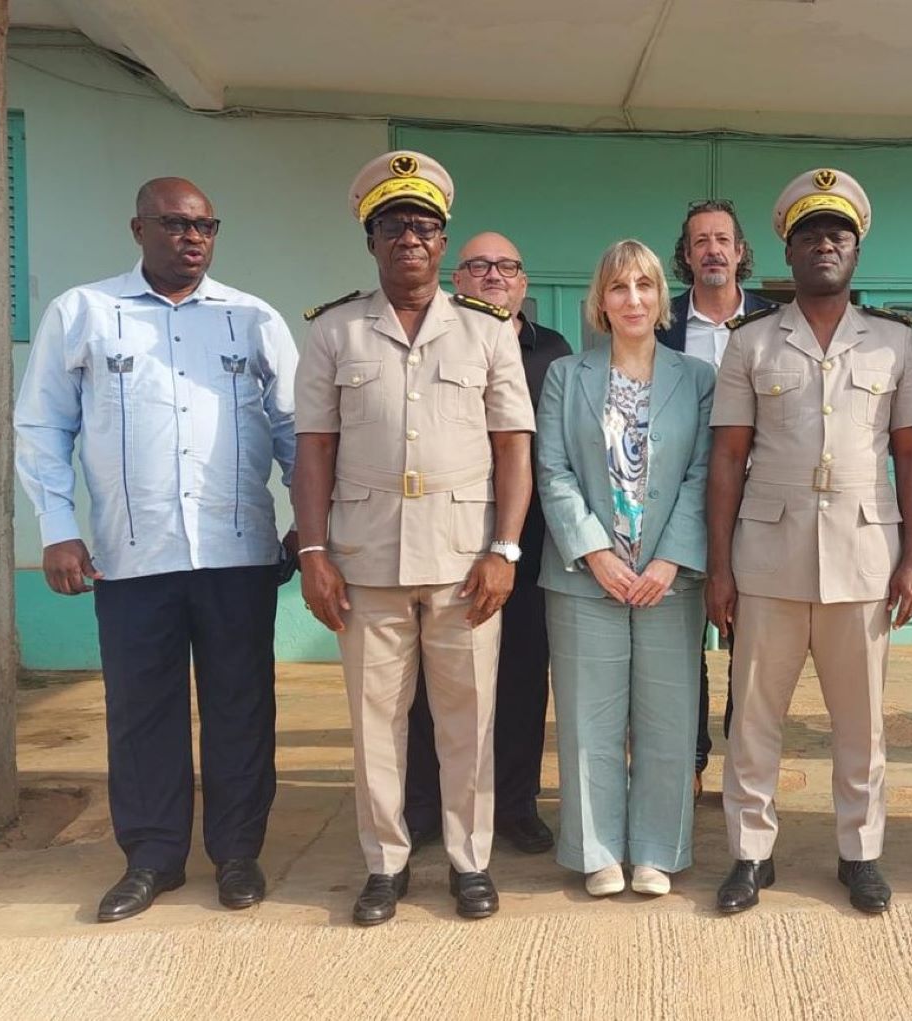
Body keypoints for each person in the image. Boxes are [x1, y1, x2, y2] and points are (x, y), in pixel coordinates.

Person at [14, 177, 298, 922]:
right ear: (137, 227)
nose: (192, 238)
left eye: (206, 225)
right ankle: (152, 857)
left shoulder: (251, 319)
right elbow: (43, 427)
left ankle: (238, 853)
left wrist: (311, 522)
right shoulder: (83, 314)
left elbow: (299, 431)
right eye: (174, 224)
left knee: (242, 706)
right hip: (131, 558)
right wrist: (56, 527)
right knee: (142, 711)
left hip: (238, 555)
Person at [292, 151, 535, 925]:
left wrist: (505, 550)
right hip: (365, 562)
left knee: (468, 721)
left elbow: (513, 452)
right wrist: (312, 551)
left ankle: (470, 860)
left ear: (442, 243)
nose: (410, 238)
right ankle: (385, 861)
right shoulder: (335, 331)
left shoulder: (489, 332)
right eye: (394, 224)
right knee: (376, 725)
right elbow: (314, 450)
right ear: (371, 239)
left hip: (465, 565)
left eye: (424, 226)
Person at [708, 168, 912, 915]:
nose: (824, 245)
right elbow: (728, 457)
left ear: (856, 252)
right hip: (767, 560)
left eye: (838, 233)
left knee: (861, 723)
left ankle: (859, 853)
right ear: (787, 252)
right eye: (810, 234)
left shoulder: (895, 342)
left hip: (865, 559)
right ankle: (750, 853)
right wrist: (719, 569)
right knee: (755, 719)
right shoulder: (750, 343)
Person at [537, 239, 715, 896]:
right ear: (601, 300)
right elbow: (552, 469)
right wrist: (595, 552)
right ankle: (598, 850)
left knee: (669, 717)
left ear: (661, 296)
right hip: (587, 576)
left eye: (644, 284)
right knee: (590, 718)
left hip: (670, 578)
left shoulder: (695, 378)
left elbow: (703, 475)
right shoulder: (567, 375)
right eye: (619, 287)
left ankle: (656, 852)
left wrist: (670, 557)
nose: (633, 298)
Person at [403, 231, 572, 854]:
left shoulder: (552, 350)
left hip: (526, 546)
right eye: (479, 266)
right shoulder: (435, 339)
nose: (495, 276)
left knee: (525, 678)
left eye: (508, 266)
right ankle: (425, 804)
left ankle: (515, 804)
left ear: (525, 281)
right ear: (457, 278)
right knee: (431, 682)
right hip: (446, 541)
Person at [658, 199, 777, 796]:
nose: (712, 250)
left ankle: (742, 760)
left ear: (738, 251)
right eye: (699, 240)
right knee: (683, 639)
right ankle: (691, 760)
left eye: (722, 239)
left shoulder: (776, 321)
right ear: (685, 254)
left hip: (759, 502)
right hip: (678, 502)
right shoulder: (660, 323)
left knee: (751, 643)